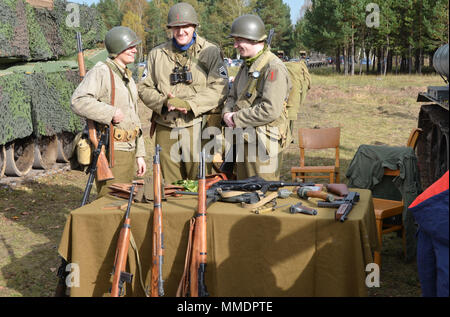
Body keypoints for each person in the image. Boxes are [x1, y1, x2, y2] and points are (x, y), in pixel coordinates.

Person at [138, 2, 229, 184]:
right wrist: (164, 102)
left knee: (202, 182)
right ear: (170, 29)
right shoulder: (157, 54)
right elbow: (143, 87)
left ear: (194, 27)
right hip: (165, 126)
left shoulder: (210, 52)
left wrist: (191, 104)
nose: (181, 32)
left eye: (185, 27)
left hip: (199, 127)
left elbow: (220, 87)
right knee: (171, 185)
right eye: (176, 27)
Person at [71, 26, 146, 198]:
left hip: (129, 149)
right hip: (113, 152)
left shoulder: (127, 76)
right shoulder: (102, 71)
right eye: (130, 47)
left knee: (127, 202)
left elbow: (135, 117)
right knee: (112, 202)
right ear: (118, 47)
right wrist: (109, 112)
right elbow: (78, 101)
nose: (135, 50)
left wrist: (140, 154)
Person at [222, 14, 291, 181]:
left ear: (253, 39)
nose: (235, 45)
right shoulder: (247, 65)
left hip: (262, 146)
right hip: (244, 139)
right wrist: (226, 113)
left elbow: (270, 110)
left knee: (261, 195)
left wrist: (236, 118)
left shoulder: (273, 68)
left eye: (239, 40)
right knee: (242, 192)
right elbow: (232, 96)